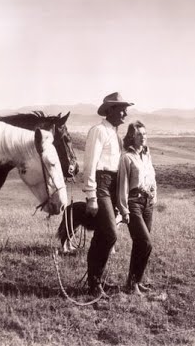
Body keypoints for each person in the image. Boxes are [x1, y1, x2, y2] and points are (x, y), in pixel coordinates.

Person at [83, 91, 134, 297]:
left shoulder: (115, 134)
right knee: (110, 234)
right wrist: (91, 196)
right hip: (101, 185)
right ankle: (94, 283)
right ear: (111, 110)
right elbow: (90, 163)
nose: (125, 114)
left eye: (126, 110)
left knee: (103, 234)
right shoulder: (98, 131)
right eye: (122, 109)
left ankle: (97, 282)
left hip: (113, 187)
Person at [117, 120, 157, 296]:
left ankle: (134, 283)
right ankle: (132, 283)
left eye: (145, 134)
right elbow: (123, 185)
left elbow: (152, 177)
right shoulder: (126, 157)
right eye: (139, 134)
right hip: (133, 202)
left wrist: (154, 196)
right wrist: (124, 209)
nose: (143, 137)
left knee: (139, 245)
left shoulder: (147, 156)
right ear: (131, 137)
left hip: (148, 203)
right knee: (145, 243)